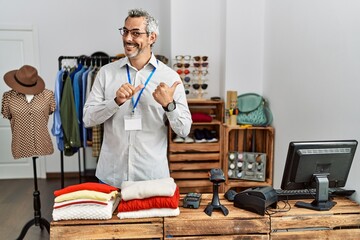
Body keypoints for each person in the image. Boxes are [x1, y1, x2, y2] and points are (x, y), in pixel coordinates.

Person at [83, 8, 192, 188]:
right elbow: (88, 119)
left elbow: (184, 130)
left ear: (152, 37)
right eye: (125, 31)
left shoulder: (170, 78)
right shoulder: (106, 73)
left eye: (135, 33)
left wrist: (169, 105)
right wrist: (115, 102)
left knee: (149, 219)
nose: (127, 38)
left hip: (151, 177)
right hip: (111, 176)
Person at [1, 65, 56, 159]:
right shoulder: (8, 97)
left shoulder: (48, 95)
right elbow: (7, 114)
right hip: (20, 146)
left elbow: (51, 111)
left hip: (42, 144)